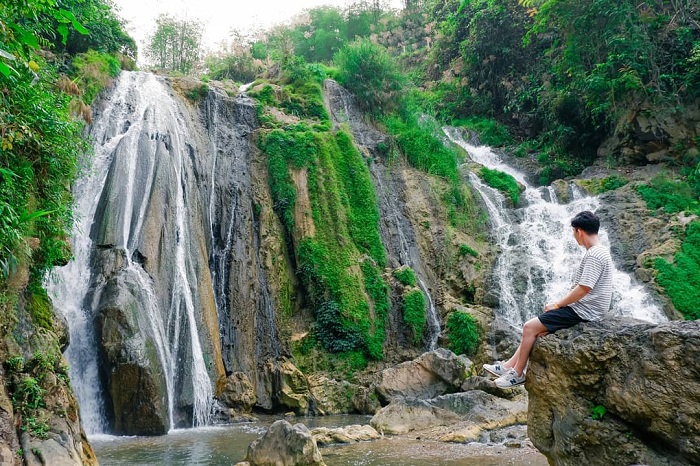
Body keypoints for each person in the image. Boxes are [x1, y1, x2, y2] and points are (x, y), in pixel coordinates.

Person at [483, 210, 614, 388]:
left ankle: (518, 373)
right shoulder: (601, 252)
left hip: (584, 311)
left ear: (579, 231)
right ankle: (507, 366)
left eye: (574, 232)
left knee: (529, 327)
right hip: (589, 309)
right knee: (538, 330)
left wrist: (558, 304)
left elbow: (584, 288)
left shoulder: (594, 255)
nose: (574, 237)